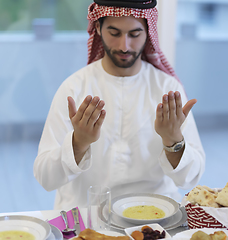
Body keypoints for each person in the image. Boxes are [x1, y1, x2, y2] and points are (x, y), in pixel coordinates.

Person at [33, 0, 205, 210]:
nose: (124, 45)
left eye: (134, 34)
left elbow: (190, 180)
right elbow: (45, 178)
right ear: (98, 27)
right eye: (114, 33)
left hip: (155, 218)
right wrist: (78, 144)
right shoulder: (74, 88)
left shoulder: (167, 88)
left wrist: (173, 141)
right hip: (87, 220)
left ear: (148, 31)